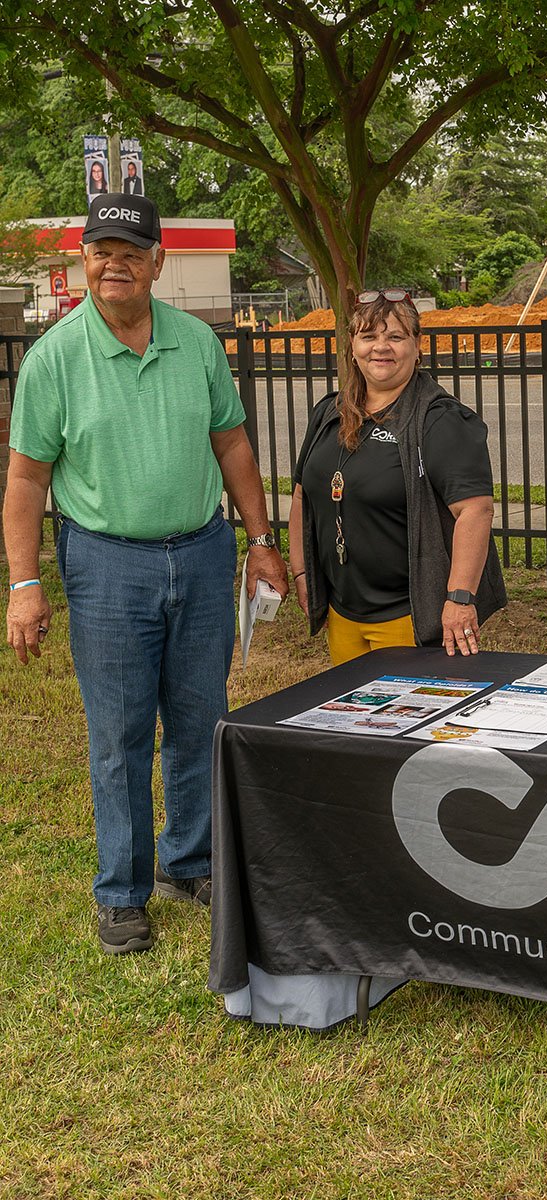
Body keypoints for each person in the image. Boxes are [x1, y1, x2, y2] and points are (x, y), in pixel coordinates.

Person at [3, 192, 287, 955]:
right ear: (83, 261)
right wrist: (25, 585)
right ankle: (123, 893)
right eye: (101, 251)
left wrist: (262, 538)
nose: (114, 264)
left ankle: (188, 863)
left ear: (158, 261)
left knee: (199, 719)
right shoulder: (55, 358)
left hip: (201, 552)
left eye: (131, 251)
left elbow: (231, 445)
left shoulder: (197, 344)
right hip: (106, 564)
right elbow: (27, 481)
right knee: (120, 734)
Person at [289, 289, 505, 663]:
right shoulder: (328, 413)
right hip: (343, 614)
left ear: (417, 346)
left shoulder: (439, 419)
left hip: (411, 617)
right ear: (352, 347)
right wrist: (302, 573)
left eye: (395, 336)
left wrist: (459, 598)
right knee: (353, 720)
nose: (381, 347)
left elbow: (475, 511)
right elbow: (300, 497)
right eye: (369, 336)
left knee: (410, 719)